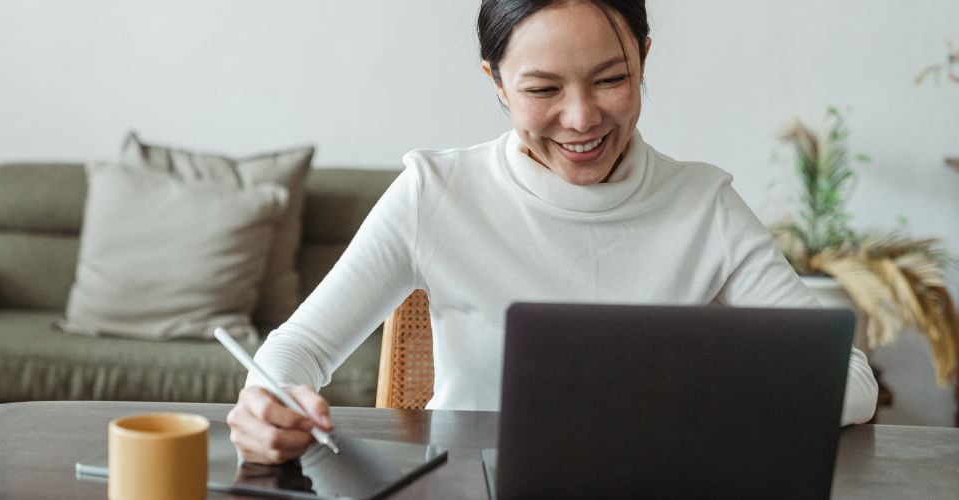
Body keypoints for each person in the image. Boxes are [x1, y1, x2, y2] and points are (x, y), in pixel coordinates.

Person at [227, 0, 879, 464]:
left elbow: (851, 381)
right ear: (498, 84)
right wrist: (267, 405)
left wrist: (696, 393)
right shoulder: (435, 193)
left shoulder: (703, 204)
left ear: (644, 58)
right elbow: (297, 350)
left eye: (612, 79)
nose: (580, 118)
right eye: (542, 88)